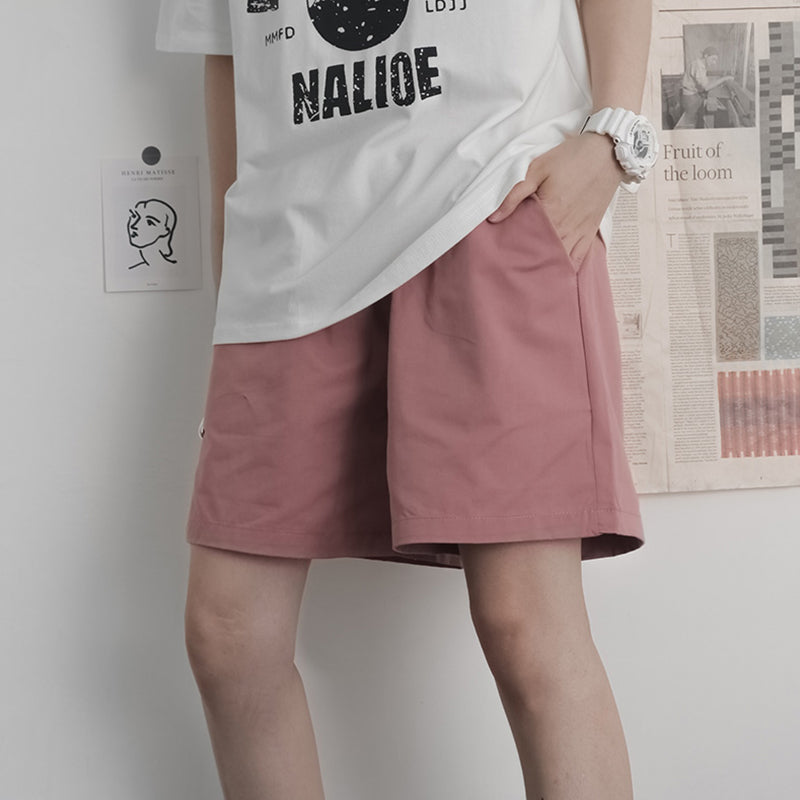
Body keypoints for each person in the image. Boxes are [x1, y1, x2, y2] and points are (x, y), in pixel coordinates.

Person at [155, 0, 654, 797]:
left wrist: (613, 136)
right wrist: (236, 277)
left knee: (524, 623)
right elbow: (226, 55)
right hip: (290, 249)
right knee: (229, 635)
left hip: (490, 196)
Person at [677, 45, 735, 128]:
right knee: (692, 122)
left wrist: (718, 82)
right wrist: (725, 78)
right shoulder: (698, 66)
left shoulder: (700, 65)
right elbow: (706, 87)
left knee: (700, 117)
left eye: (716, 60)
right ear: (706, 56)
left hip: (693, 96)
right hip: (690, 98)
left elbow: (705, 82)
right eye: (713, 59)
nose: (714, 62)